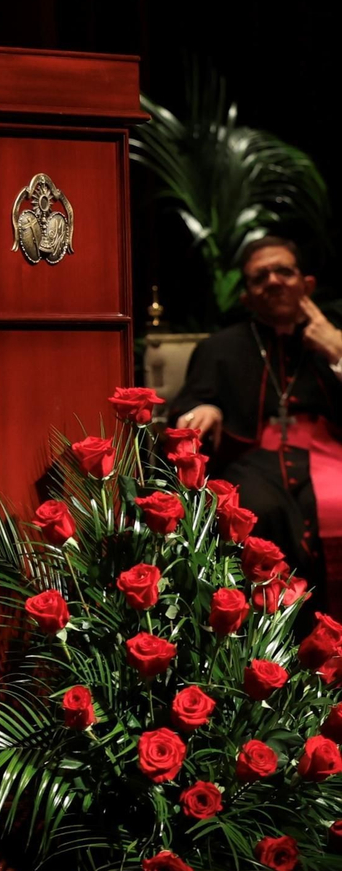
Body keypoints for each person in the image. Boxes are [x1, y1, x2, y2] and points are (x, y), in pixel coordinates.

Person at [170, 235, 342, 607]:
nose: (274, 281)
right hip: (251, 457)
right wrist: (207, 409)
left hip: (332, 452)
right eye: (260, 277)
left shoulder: (334, 336)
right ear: (246, 296)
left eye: (284, 271)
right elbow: (189, 405)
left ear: (306, 284)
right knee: (254, 509)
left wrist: (338, 348)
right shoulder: (221, 347)